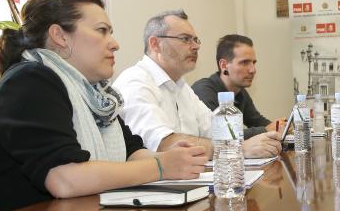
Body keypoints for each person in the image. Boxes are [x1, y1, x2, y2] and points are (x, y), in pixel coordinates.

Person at [0, 0, 207, 211]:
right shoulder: (31, 80)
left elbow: (131, 152)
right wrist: (162, 166)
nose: (114, 44)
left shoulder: (96, 96)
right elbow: (65, 178)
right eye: (102, 31)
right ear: (60, 36)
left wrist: (173, 158)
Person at [113, 11, 281, 157]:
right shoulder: (135, 82)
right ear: (155, 44)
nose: (195, 47)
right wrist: (239, 149)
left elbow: (218, 131)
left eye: (195, 40)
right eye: (185, 39)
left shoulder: (182, 87)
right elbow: (163, 143)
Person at [192, 34, 285, 139]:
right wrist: (266, 130)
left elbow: (257, 121)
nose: (253, 70)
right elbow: (221, 135)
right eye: (245, 62)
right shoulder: (203, 90)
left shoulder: (239, 91)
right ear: (224, 65)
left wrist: (281, 126)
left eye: (253, 63)